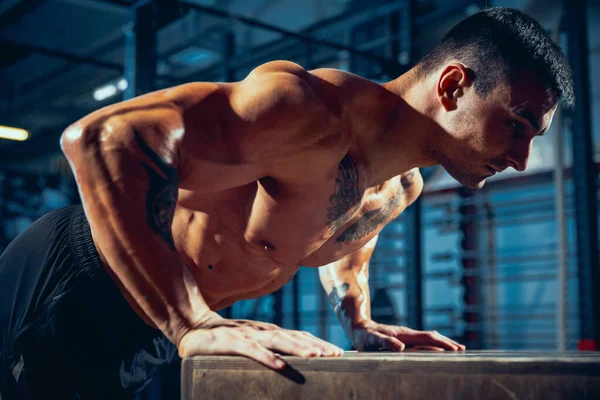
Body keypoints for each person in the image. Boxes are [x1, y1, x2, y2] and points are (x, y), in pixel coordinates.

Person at [0, 7, 574, 399]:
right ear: (453, 87)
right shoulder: (306, 112)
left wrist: (360, 319)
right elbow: (103, 141)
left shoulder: (401, 186)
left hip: (158, 324)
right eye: (518, 123)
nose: (522, 157)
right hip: (80, 280)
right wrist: (190, 321)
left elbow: (345, 236)